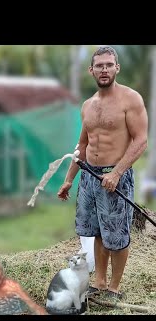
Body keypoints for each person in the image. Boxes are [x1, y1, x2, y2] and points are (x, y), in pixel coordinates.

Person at [58, 46, 148, 299]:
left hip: (114, 178)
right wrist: (68, 180)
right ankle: (98, 282)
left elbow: (141, 141)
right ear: (92, 70)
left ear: (117, 68)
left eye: (109, 64)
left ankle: (114, 287)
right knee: (97, 231)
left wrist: (117, 173)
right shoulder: (88, 105)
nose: (104, 69)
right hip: (89, 177)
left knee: (117, 236)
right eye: (100, 65)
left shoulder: (131, 99)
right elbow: (82, 146)